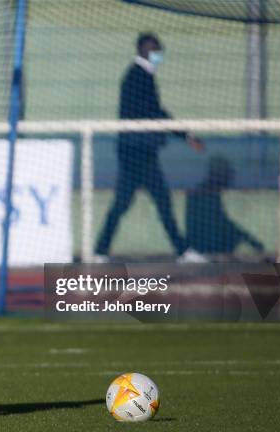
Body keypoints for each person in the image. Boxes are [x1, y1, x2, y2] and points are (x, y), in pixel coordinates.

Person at [94, 33, 206, 263]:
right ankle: (182, 251)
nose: (159, 54)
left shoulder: (144, 76)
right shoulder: (137, 77)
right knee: (151, 203)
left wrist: (183, 135)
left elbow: (154, 113)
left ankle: (100, 251)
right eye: (155, 49)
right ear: (143, 49)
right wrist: (185, 135)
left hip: (140, 152)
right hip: (136, 153)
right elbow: (156, 113)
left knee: (135, 204)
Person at [186, 155, 264, 256]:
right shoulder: (204, 193)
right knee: (233, 234)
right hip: (204, 244)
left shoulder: (208, 191)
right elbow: (221, 222)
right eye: (227, 175)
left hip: (203, 242)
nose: (229, 179)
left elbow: (221, 221)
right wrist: (251, 240)